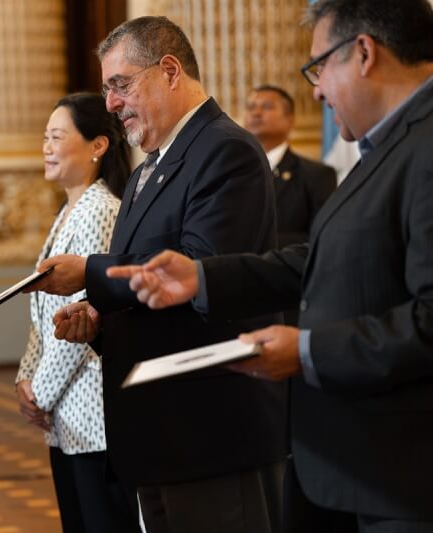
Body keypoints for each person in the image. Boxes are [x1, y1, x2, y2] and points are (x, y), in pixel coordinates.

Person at [106, 1, 433, 530]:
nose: (317, 92)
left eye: (318, 68)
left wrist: (305, 350)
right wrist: (203, 277)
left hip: (405, 477)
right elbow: (327, 260)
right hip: (355, 468)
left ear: (366, 53)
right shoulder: (391, 145)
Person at [28, 16, 287, 532]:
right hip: (158, 435)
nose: (110, 104)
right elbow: (145, 288)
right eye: (106, 89)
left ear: (169, 70)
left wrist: (89, 274)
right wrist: (101, 320)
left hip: (209, 430)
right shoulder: (150, 167)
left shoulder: (224, 150)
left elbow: (202, 272)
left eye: (120, 85)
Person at [15, 92, 137, 533]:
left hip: (92, 412)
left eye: (57, 136)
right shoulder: (69, 211)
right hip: (65, 415)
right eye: (44, 137)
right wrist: (25, 379)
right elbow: (39, 311)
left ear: (97, 145)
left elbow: (78, 319)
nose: (46, 147)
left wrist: (39, 395)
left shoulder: (101, 210)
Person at [243, 85, 337, 249]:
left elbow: (323, 237)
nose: (256, 113)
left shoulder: (318, 176)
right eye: (251, 107)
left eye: (267, 107)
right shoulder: (231, 173)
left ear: (290, 119)